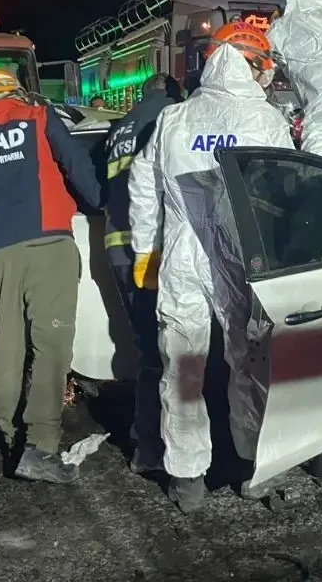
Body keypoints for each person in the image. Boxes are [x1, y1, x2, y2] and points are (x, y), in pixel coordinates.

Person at [127, 23, 294, 512]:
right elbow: (287, 193)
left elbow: (142, 183)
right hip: (245, 259)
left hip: (182, 255)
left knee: (183, 368)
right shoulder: (266, 122)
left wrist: (145, 251)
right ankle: (256, 466)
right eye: (264, 66)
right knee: (252, 364)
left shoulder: (175, 118)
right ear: (251, 64)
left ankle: (187, 479)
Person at [0, 70, 103, 484]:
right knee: (51, 344)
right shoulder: (41, 118)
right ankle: (40, 443)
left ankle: (11, 434)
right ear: (19, 92)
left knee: (5, 345)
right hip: (48, 244)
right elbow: (78, 169)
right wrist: (105, 205)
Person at [103, 72, 182, 474]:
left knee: (146, 345)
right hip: (152, 251)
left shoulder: (121, 125)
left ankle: (145, 438)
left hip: (118, 247)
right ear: (172, 93)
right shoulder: (170, 116)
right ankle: (151, 444)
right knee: (164, 350)